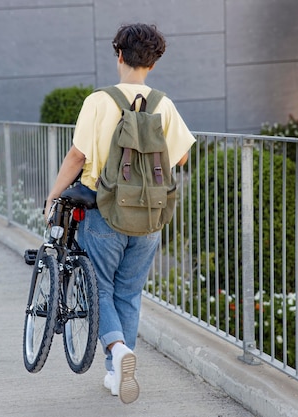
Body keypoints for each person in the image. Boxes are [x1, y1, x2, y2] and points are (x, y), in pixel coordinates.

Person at [44, 23, 196, 404]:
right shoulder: (164, 104)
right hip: (150, 215)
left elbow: (77, 156)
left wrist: (53, 195)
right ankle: (116, 374)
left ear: (119, 56)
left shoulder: (99, 101)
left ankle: (117, 350)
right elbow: (182, 156)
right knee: (129, 293)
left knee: (101, 289)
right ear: (153, 63)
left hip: (103, 211)